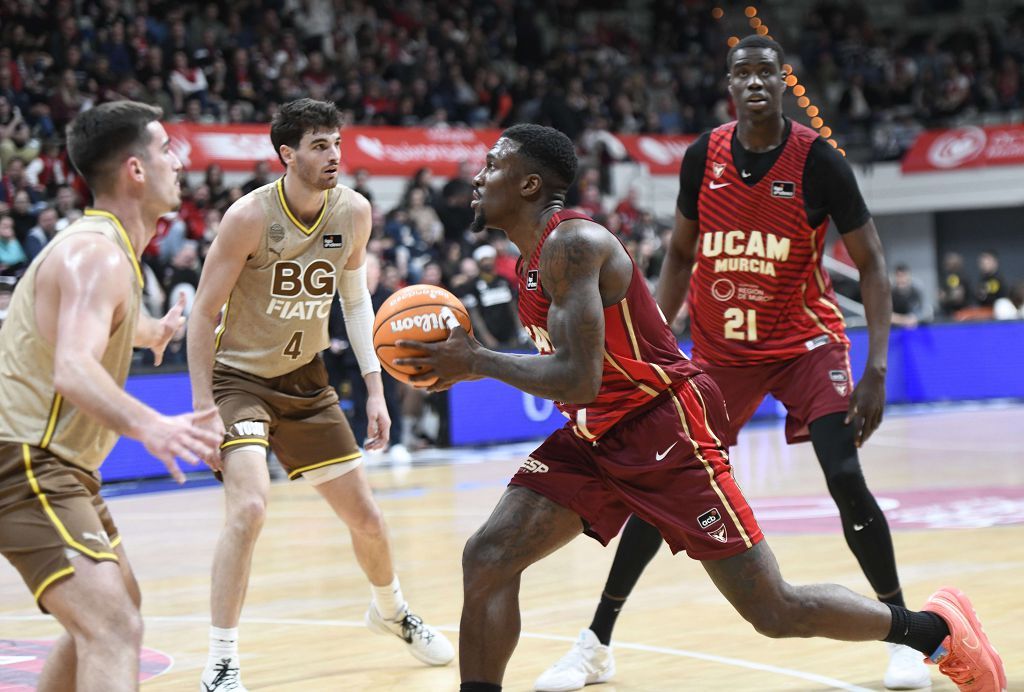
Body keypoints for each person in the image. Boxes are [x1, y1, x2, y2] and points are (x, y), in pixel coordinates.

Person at [395, 123, 1005, 692]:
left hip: (663, 429)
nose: (476, 177)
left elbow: (577, 378)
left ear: (529, 184)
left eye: (491, 165)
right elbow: (580, 386)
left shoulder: (573, 245)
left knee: (774, 609)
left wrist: (474, 361)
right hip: (595, 437)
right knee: (489, 554)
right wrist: (474, 361)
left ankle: (932, 632)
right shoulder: (529, 261)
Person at [534, 35, 939, 692]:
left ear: (783, 81)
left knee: (843, 473)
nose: (754, 83)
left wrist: (878, 369)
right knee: (665, 484)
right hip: (722, 356)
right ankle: (595, 643)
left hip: (806, 346)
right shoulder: (704, 155)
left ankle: (901, 634)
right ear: (730, 84)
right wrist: (656, 340)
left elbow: (871, 267)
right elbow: (678, 258)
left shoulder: (819, 162)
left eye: (766, 73)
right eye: (742, 73)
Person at [186, 98, 453, 692]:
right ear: (287, 154)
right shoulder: (248, 217)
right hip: (239, 381)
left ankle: (391, 612)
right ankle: (222, 659)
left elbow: (355, 302)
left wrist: (376, 389)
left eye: (337, 143)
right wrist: (205, 410)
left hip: (307, 379)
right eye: (319, 146)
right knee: (251, 508)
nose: (334, 156)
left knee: (369, 520)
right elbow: (202, 315)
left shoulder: (355, 211)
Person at [0, 100, 221, 692]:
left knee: (112, 608)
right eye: (165, 149)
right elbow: (73, 367)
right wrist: (152, 425)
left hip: (59, 466)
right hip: (25, 460)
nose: (178, 161)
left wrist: (152, 332)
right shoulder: (96, 253)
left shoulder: (114, 255)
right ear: (135, 170)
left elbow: (93, 330)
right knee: (113, 626)